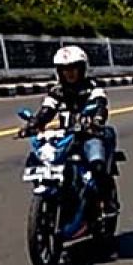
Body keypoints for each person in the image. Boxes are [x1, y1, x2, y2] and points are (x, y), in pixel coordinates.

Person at [18, 45, 119, 214]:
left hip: (89, 134)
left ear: (82, 69)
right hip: (66, 136)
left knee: (97, 164)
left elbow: (101, 107)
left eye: (73, 68)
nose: (69, 73)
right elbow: (46, 111)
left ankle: (107, 202)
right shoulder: (57, 92)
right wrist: (32, 125)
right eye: (65, 69)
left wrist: (96, 121)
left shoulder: (93, 88)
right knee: (40, 159)